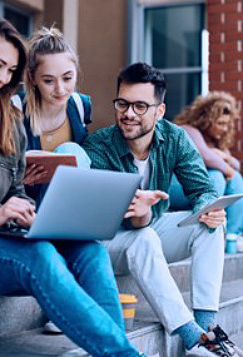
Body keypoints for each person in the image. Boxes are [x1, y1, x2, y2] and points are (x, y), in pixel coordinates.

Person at [0, 16, 145, 357]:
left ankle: (114, 351)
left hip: (6, 238)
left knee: (89, 250)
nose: (3, 78)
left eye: (10, 71)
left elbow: (13, 190)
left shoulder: (5, 117)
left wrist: (26, 212)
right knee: (40, 255)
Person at [83, 62, 241, 356]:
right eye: (123, 103)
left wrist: (209, 208)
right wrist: (138, 213)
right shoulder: (98, 146)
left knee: (208, 224)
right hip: (106, 241)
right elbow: (114, 219)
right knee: (143, 238)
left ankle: (209, 330)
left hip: (150, 228)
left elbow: (201, 186)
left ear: (160, 111)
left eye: (141, 106)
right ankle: (193, 338)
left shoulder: (175, 137)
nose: (129, 113)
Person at [16, 26, 92, 208]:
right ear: (33, 78)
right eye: (49, 81)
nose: (60, 89)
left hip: (72, 203)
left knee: (72, 150)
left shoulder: (81, 105)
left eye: (67, 78)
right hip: (28, 206)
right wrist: (19, 177)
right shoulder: (15, 108)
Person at [168, 91, 243, 238]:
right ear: (205, 119)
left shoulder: (216, 142)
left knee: (237, 179)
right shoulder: (188, 130)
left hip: (199, 188)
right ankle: (209, 229)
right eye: (220, 123)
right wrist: (224, 163)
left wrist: (221, 155)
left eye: (227, 124)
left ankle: (232, 236)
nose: (225, 129)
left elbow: (236, 165)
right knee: (216, 176)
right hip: (176, 186)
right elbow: (204, 157)